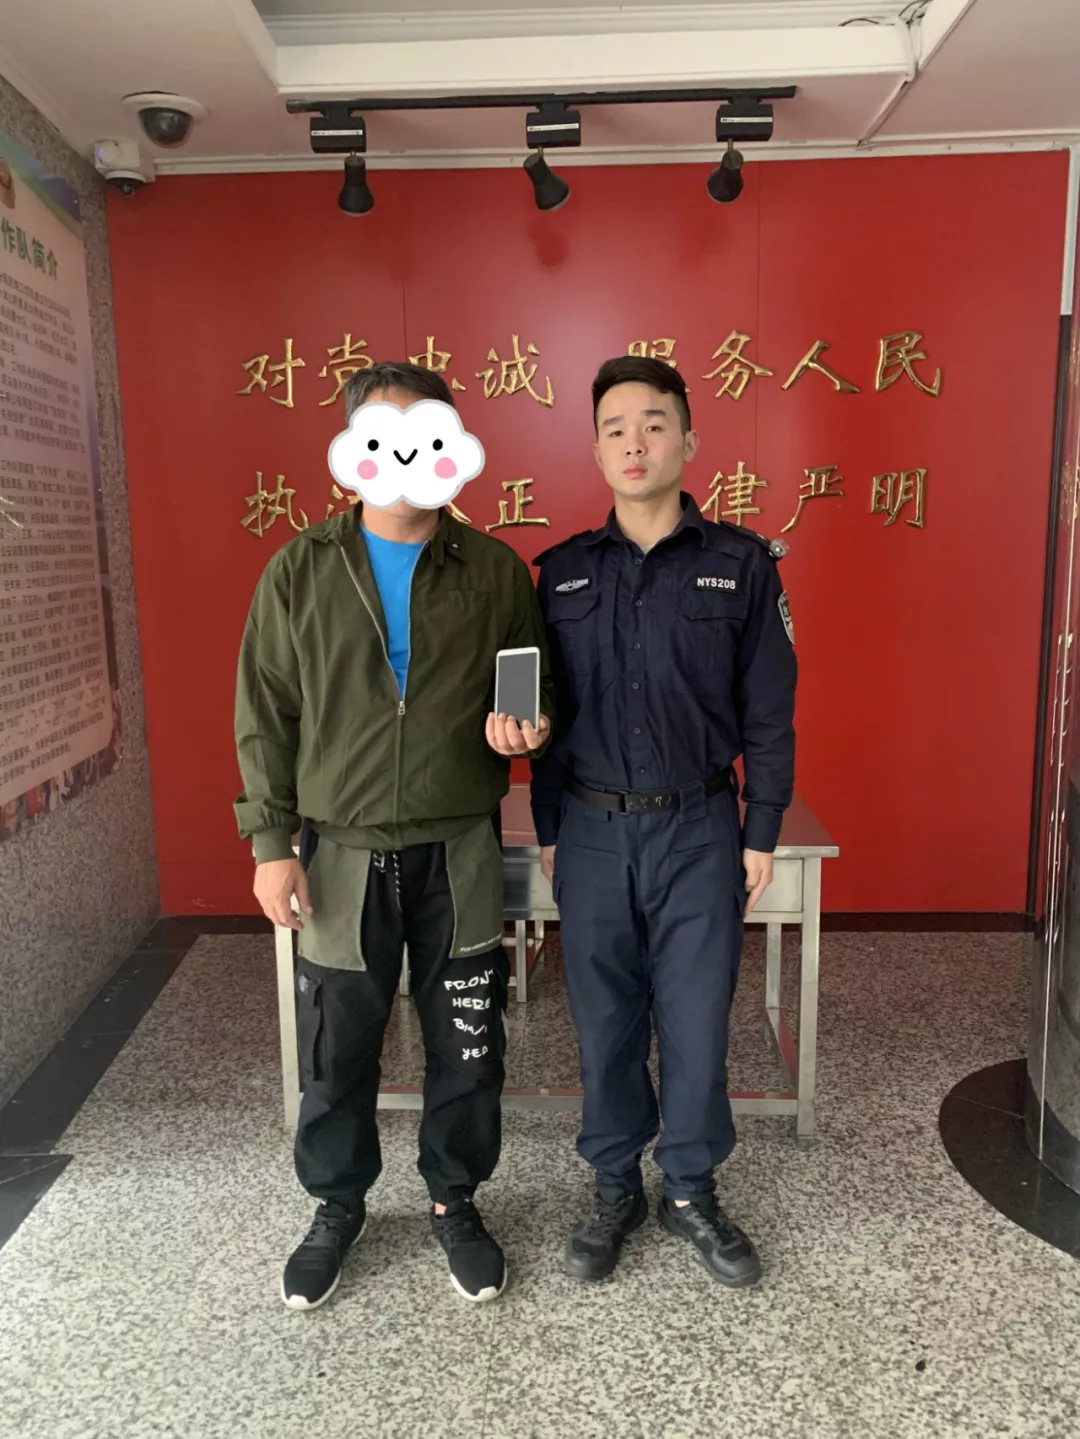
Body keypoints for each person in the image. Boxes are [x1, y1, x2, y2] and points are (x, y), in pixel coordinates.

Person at [235, 361, 553, 1311]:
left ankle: (456, 1197)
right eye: (385, 435)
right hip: (338, 851)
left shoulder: (493, 571)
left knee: (469, 1041)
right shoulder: (301, 568)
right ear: (352, 450)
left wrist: (530, 729)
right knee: (340, 1047)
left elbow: (532, 692)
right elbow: (265, 712)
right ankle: (337, 1204)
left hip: (458, 847)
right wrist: (270, 843)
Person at [530, 354, 796, 1287]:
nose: (634, 442)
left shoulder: (741, 566)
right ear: (596, 449)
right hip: (593, 830)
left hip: (698, 827)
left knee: (694, 1018)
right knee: (604, 1019)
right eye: (615, 427)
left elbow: (770, 712)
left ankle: (689, 1188)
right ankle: (614, 1186)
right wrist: (550, 827)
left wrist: (762, 828)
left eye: (653, 423)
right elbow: (545, 718)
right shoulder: (562, 574)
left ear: (688, 439)